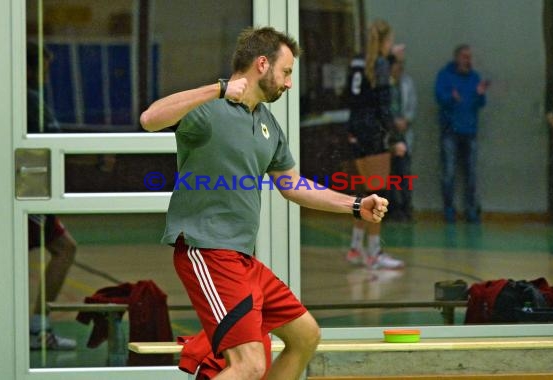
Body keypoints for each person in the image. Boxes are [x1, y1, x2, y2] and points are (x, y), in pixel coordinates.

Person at [140, 26, 389, 380]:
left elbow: (291, 184)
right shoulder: (212, 108)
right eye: (286, 72)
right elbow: (150, 119)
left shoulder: (267, 123)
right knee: (249, 365)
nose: (289, 83)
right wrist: (218, 88)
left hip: (242, 258)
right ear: (261, 64)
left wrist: (355, 204)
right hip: (207, 249)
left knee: (305, 335)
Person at [26, 42, 78, 350]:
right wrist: (96, 159)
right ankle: (37, 328)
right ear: (29, 69)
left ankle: (35, 327)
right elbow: (54, 142)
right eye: (43, 70)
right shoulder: (30, 99)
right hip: (28, 190)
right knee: (64, 249)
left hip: (30, 189)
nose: (45, 76)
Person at [345, 20, 404, 269]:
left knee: (365, 193)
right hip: (374, 134)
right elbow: (383, 106)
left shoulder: (358, 63)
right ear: (385, 41)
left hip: (356, 131)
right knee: (377, 197)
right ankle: (374, 253)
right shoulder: (379, 65)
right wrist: (397, 138)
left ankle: (356, 248)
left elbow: (353, 97)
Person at [435, 44, 488, 224]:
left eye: (470, 57)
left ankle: (471, 210)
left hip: (470, 131)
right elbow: (439, 97)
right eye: (465, 56)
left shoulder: (475, 78)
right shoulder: (445, 75)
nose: (468, 60)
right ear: (457, 58)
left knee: (471, 174)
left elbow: (480, 103)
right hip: (450, 132)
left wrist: (480, 95)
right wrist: (451, 98)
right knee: (448, 173)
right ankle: (449, 210)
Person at [387, 51, 417, 222]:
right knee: (389, 174)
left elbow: (412, 104)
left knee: (404, 174)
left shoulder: (407, 83)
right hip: (388, 134)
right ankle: (392, 208)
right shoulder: (384, 83)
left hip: (404, 133)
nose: (400, 67)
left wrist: (406, 120)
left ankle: (406, 208)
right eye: (397, 63)